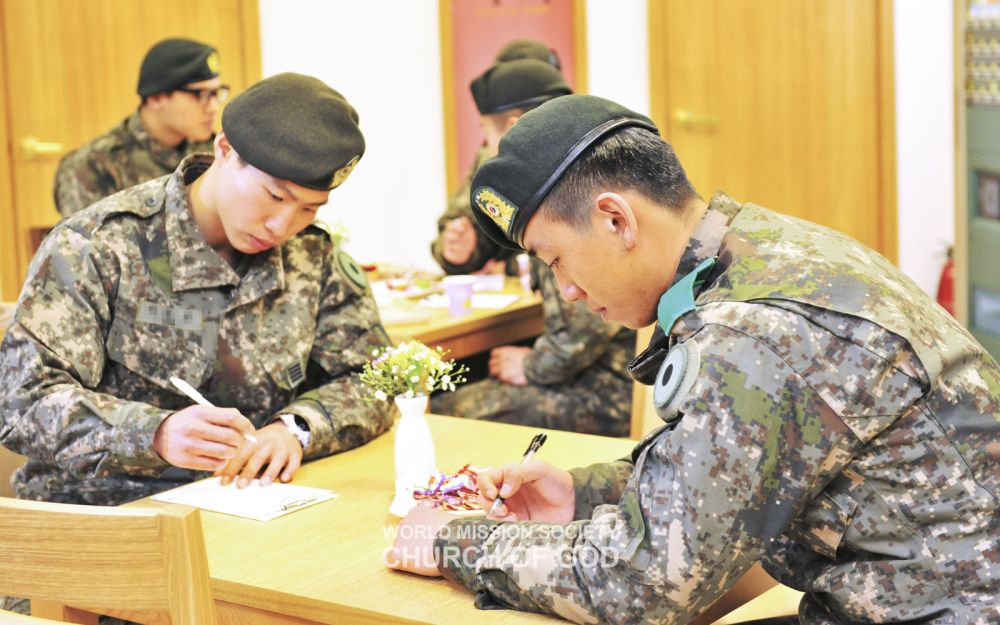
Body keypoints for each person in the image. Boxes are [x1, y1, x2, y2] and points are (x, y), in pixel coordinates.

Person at [389, 95, 1000, 624]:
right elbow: (734, 464)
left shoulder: (752, 334)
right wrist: (581, 492)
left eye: (555, 260)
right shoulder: (765, 251)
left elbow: (641, 585)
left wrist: (457, 540)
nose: (568, 290)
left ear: (615, 219)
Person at [0, 72, 393, 509]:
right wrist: (155, 433)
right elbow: (23, 401)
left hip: (258, 506)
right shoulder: (97, 246)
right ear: (223, 149)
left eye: (308, 208)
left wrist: (296, 428)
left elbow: (376, 377)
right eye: (274, 197)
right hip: (110, 517)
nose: (283, 226)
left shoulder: (310, 255)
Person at [428, 59, 635, 437]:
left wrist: (533, 365)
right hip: (591, 370)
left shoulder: (561, 189)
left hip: (607, 386)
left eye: (485, 133)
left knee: (442, 409)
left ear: (510, 129)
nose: (486, 147)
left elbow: (585, 326)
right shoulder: (571, 156)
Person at [54, 37, 227, 217]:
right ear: (156, 98)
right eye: (201, 95)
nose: (214, 107)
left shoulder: (214, 152)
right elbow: (86, 241)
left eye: (216, 93)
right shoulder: (96, 165)